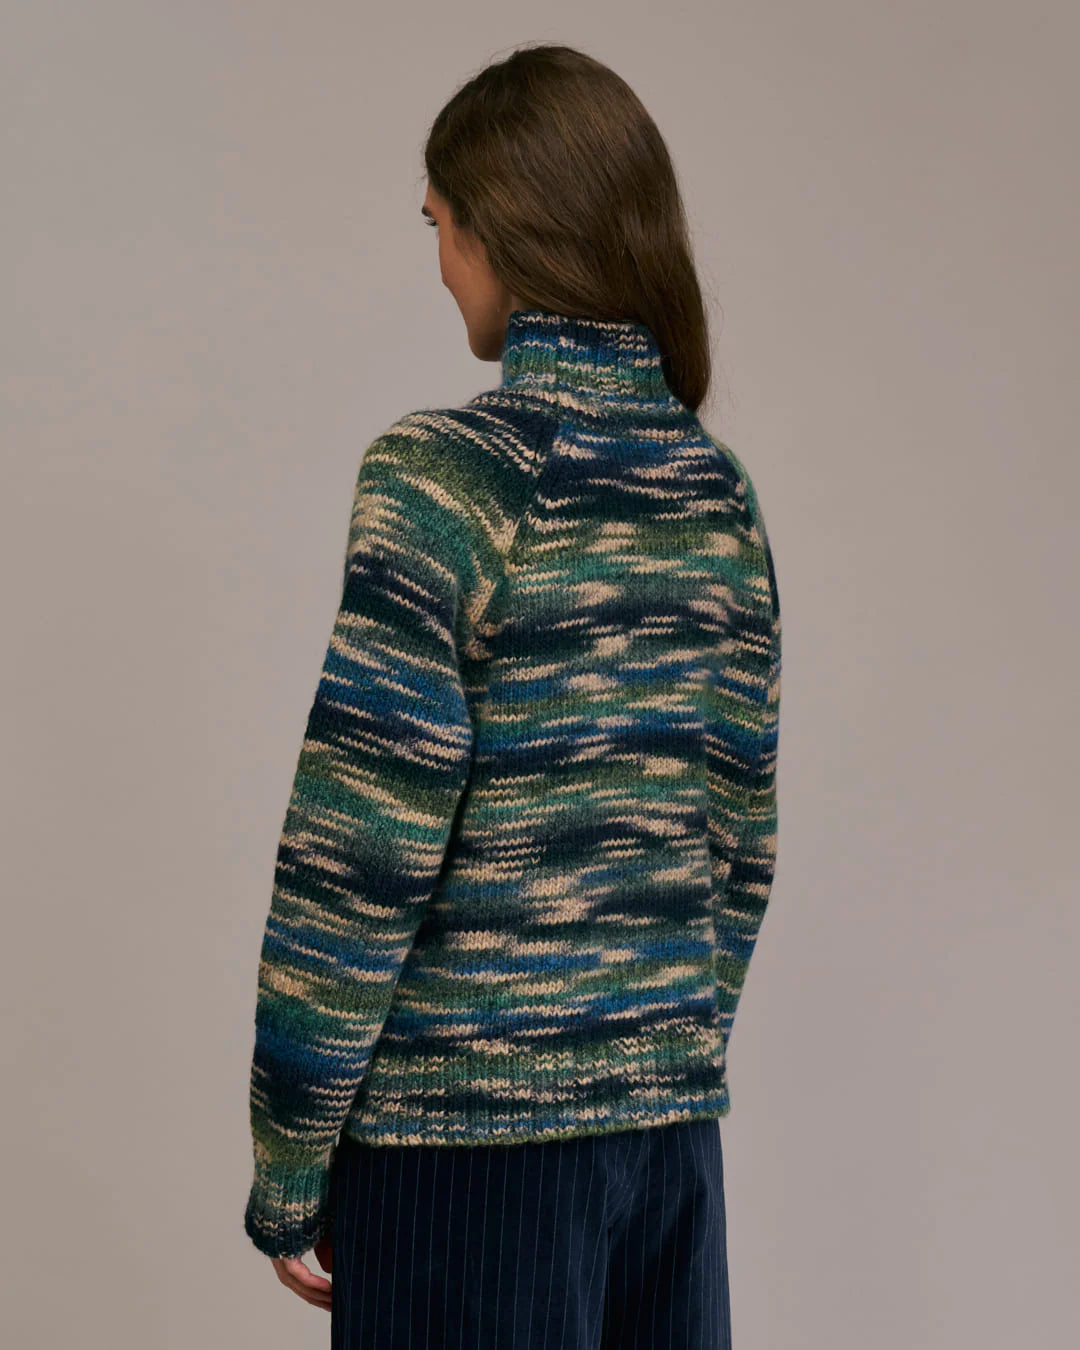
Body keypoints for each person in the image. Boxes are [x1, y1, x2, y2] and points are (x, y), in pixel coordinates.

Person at [243, 41, 781, 1349]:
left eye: (439, 225)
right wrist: (648, 1049)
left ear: (499, 231)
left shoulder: (450, 477)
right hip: (668, 1154)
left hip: (466, 1160)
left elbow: (359, 853)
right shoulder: (715, 497)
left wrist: (290, 1161)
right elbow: (737, 844)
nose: (441, 264)